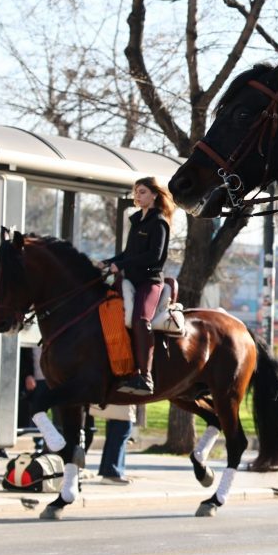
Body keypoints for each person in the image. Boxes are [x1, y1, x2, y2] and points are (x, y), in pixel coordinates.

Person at [104, 176, 174, 395]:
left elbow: (154, 256)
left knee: (141, 320)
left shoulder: (159, 222)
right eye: (136, 192)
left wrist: (121, 264)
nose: (137, 195)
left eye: (142, 191)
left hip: (150, 282)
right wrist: (108, 263)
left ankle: (145, 376)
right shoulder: (136, 221)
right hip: (130, 280)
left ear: (154, 195)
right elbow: (128, 254)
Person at [96, 403, 136, 484]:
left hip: (117, 405)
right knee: (120, 433)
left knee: (115, 436)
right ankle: (112, 473)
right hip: (121, 403)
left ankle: (110, 473)